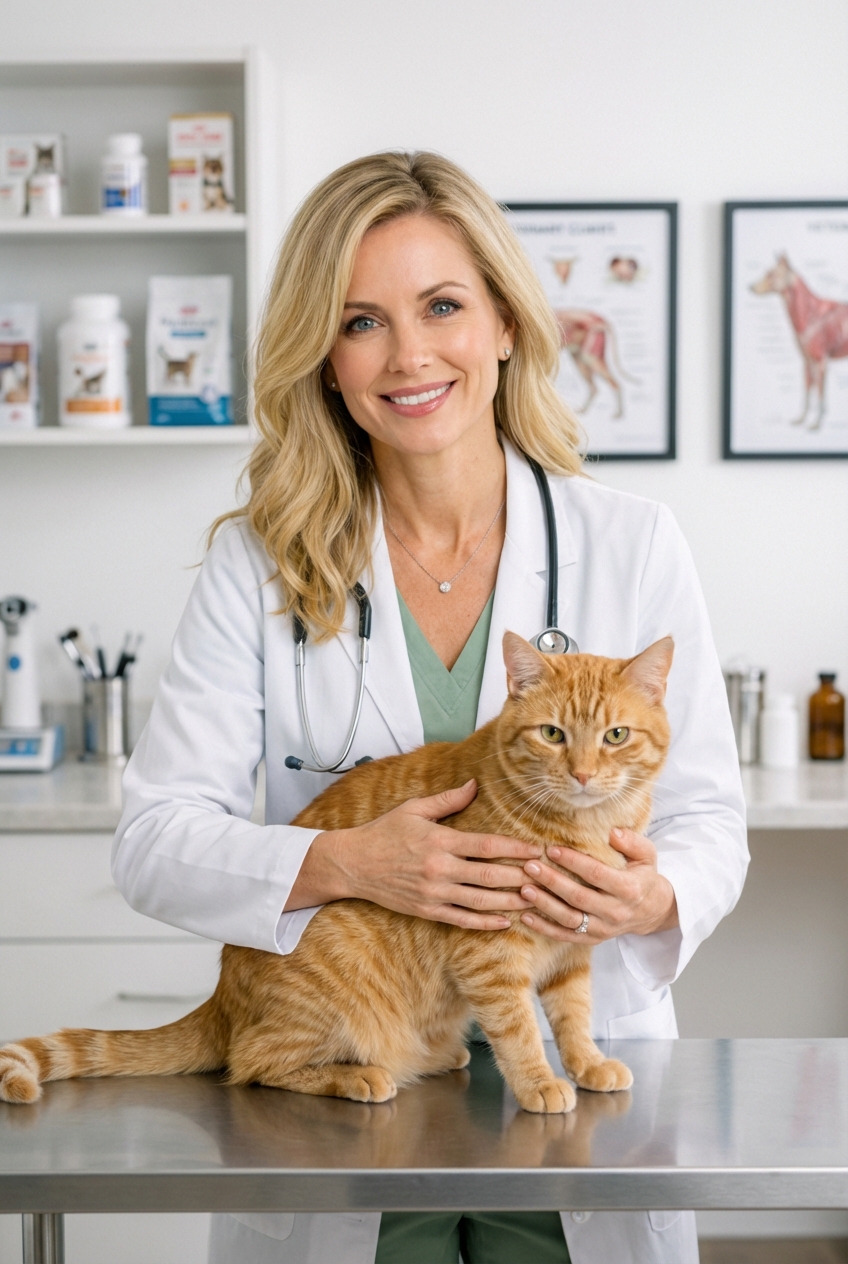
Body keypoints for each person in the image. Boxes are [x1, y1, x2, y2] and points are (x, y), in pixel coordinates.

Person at [113, 150, 748, 1264]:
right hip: (355, 1111)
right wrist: (351, 865)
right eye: (360, 321)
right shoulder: (258, 566)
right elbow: (155, 842)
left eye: (441, 306)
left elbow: (706, 825)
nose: (407, 355)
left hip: (570, 1109)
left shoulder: (628, 543)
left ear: (502, 322)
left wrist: (647, 896)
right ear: (322, 355)